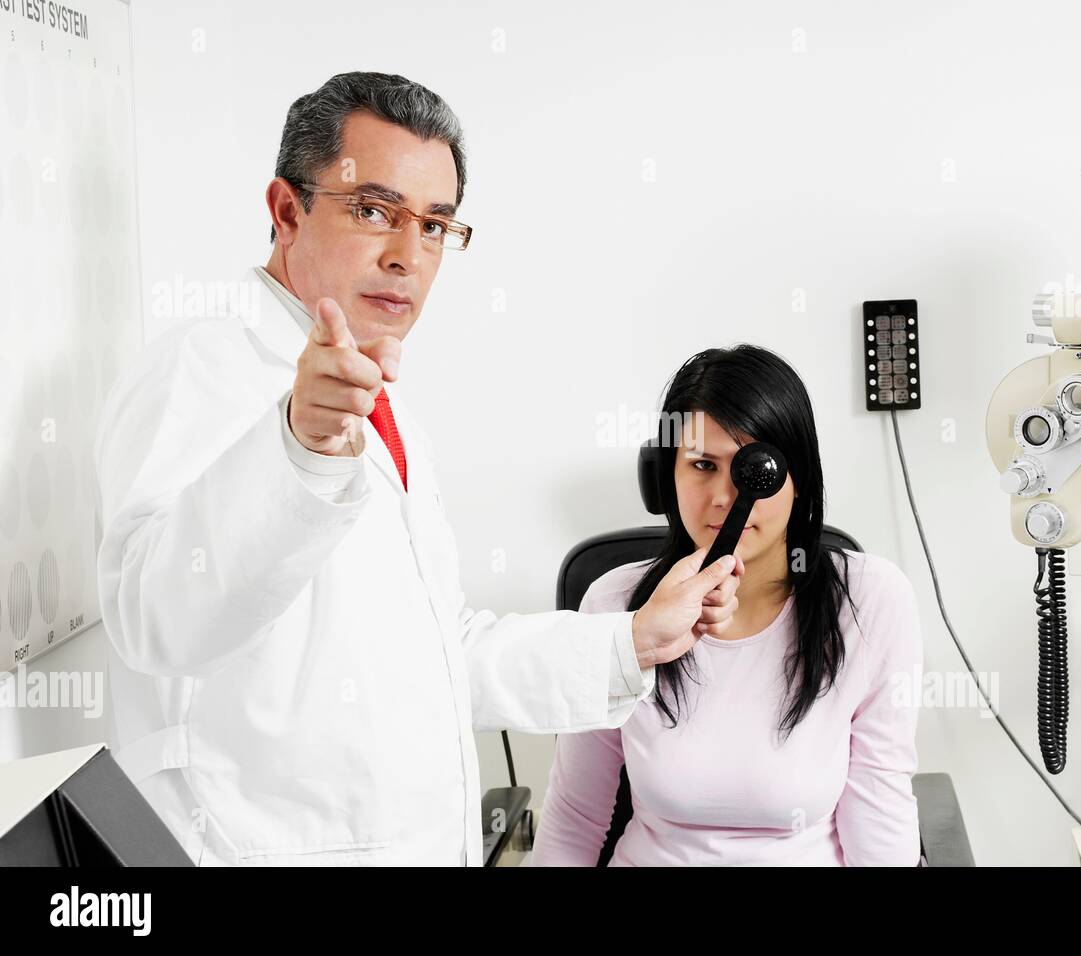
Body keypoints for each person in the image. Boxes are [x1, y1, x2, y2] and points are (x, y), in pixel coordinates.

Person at [94, 72, 742, 866]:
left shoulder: (378, 396)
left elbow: (440, 655)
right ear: (286, 209)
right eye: (373, 210)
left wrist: (631, 642)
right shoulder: (202, 370)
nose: (408, 256)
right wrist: (297, 447)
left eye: (434, 226)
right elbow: (152, 620)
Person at [530, 345, 924, 866]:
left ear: (798, 476)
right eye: (701, 465)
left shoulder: (871, 602)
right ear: (663, 476)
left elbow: (881, 816)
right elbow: (575, 818)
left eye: (751, 469)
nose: (723, 495)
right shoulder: (614, 605)